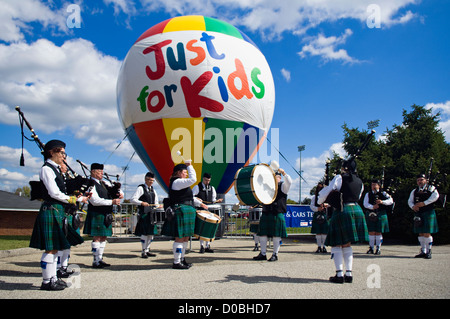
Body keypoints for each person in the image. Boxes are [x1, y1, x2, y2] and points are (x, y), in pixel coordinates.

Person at [29, 140, 88, 291]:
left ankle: (53, 278)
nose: (64, 156)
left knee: (55, 247)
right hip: (51, 209)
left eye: (64, 153)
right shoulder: (46, 169)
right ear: (52, 152)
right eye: (61, 152)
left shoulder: (56, 170)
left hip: (57, 210)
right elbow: (54, 193)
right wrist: (76, 199)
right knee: (50, 248)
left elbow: (63, 190)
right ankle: (47, 281)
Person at [318, 159, 368, 284]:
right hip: (356, 209)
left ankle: (339, 274)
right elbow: (359, 196)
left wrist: (320, 200)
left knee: (336, 243)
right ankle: (349, 273)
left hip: (342, 210)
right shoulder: (360, 181)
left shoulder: (339, 178)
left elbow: (328, 191)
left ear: (344, 168)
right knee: (347, 244)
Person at [161, 161, 207, 269]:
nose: (186, 174)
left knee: (185, 238)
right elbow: (193, 179)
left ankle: (182, 259)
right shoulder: (176, 182)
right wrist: (189, 165)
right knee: (180, 238)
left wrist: (200, 203)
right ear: (178, 172)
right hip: (181, 211)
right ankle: (176, 262)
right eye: (185, 172)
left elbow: (187, 198)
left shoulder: (181, 183)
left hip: (186, 210)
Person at [83, 163, 123, 268]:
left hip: (106, 213)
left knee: (103, 237)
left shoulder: (104, 183)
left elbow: (117, 191)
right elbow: (94, 201)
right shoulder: (90, 184)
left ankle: (100, 259)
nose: (101, 173)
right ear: (93, 172)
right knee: (97, 237)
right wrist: (112, 202)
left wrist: (119, 193)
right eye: (99, 171)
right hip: (97, 213)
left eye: (102, 171)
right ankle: (95, 261)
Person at [253, 168, 291, 262]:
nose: (273, 179)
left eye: (275, 177)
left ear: (279, 177)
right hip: (266, 212)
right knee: (262, 234)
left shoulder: (283, 186)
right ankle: (263, 253)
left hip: (277, 213)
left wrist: (284, 172)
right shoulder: (266, 187)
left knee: (276, 235)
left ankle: (275, 254)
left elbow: (289, 182)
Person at [408, 173, 439, 259]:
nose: (419, 182)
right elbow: (410, 201)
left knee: (427, 233)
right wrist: (413, 207)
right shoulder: (414, 191)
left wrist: (424, 203)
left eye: (421, 180)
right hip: (418, 213)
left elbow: (436, 196)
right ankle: (423, 251)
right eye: (418, 180)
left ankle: (429, 251)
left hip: (428, 212)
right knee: (420, 233)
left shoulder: (431, 188)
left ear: (425, 180)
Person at [130, 172, 160, 258]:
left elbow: (156, 202)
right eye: (149, 180)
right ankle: (143, 251)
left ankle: (148, 250)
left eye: (152, 180)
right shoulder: (141, 188)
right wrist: (141, 202)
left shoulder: (153, 190)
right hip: (144, 213)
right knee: (144, 233)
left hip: (151, 214)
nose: (151, 182)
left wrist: (157, 206)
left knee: (151, 233)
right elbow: (133, 199)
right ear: (145, 179)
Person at [192, 172, 223, 253]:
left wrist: (217, 201)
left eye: (208, 180)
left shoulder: (212, 188)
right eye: (206, 180)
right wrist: (197, 200)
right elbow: (192, 197)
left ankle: (207, 246)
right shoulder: (197, 187)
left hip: (209, 211)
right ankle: (201, 246)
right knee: (202, 228)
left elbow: (212, 200)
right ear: (203, 179)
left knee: (208, 228)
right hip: (200, 210)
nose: (207, 182)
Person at [363, 179, 394, 255]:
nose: (373, 186)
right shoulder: (368, 194)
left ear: (379, 186)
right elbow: (365, 204)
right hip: (371, 214)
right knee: (371, 232)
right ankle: (371, 248)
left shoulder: (383, 193)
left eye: (375, 185)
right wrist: (372, 207)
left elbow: (391, 201)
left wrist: (382, 202)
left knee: (378, 232)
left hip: (381, 214)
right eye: (372, 185)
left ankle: (378, 248)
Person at [310, 183, 329, 253]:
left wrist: (326, 205)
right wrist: (318, 208)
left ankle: (324, 247)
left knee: (324, 232)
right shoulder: (314, 198)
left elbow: (330, 204)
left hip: (324, 214)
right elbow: (311, 206)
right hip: (317, 214)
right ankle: (319, 247)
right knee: (318, 232)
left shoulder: (327, 197)